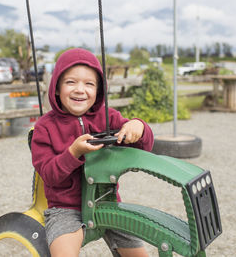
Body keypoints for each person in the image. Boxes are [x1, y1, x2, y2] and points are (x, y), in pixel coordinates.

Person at [31, 48, 153, 257]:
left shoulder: (108, 117)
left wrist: (138, 126)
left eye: (89, 84)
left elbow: (145, 145)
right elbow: (49, 175)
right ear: (57, 88)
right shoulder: (45, 127)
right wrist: (73, 152)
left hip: (108, 202)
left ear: (98, 91)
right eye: (71, 82)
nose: (80, 89)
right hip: (65, 209)